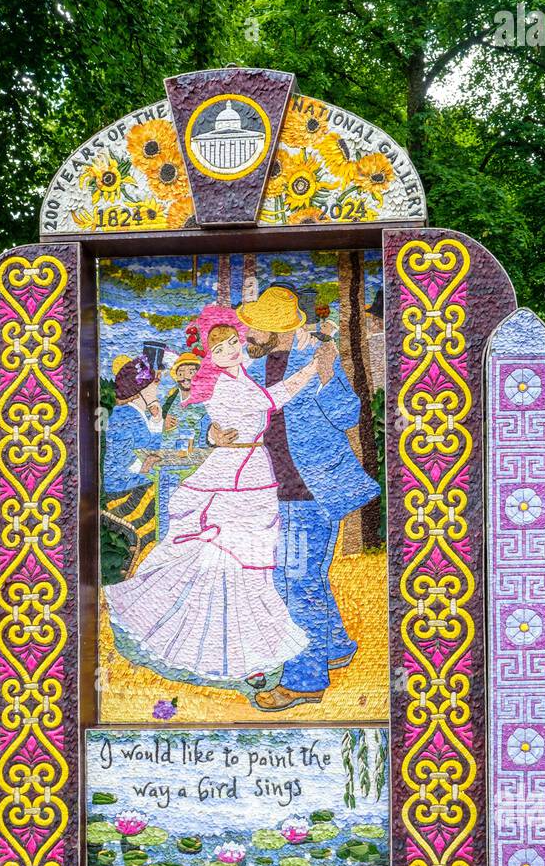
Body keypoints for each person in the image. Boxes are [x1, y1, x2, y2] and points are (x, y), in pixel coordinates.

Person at [106, 305, 332, 683]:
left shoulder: (241, 375)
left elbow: (257, 404)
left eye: (232, 342)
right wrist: (311, 370)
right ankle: (230, 651)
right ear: (210, 355)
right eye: (220, 347)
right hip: (232, 476)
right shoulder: (223, 385)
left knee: (252, 564)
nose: (229, 349)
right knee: (228, 561)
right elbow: (272, 401)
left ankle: (251, 651)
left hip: (252, 472)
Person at [235, 284, 380, 711]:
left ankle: (304, 680)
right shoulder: (256, 371)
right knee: (304, 579)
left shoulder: (316, 360)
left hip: (309, 493)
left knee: (295, 584)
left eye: (255, 328)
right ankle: (333, 646)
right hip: (273, 492)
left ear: (274, 330)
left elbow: (347, 415)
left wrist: (324, 375)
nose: (248, 334)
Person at [102, 354, 163, 573]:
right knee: (163, 506)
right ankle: (143, 568)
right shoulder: (123, 416)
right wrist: (143, 468)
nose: (156, 389)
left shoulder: (137, 414)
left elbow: (150, 450)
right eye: (152, 385)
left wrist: (156, 422)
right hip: (122, 489)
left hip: (134, 482)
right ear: (140, 390)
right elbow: (120, 461)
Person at [161, 351, 209, 449]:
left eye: (191, 372)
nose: (186, 377)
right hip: (170, 452)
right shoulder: (171, 399)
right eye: (181, 373)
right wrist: (165, 425)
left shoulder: (205, 401)